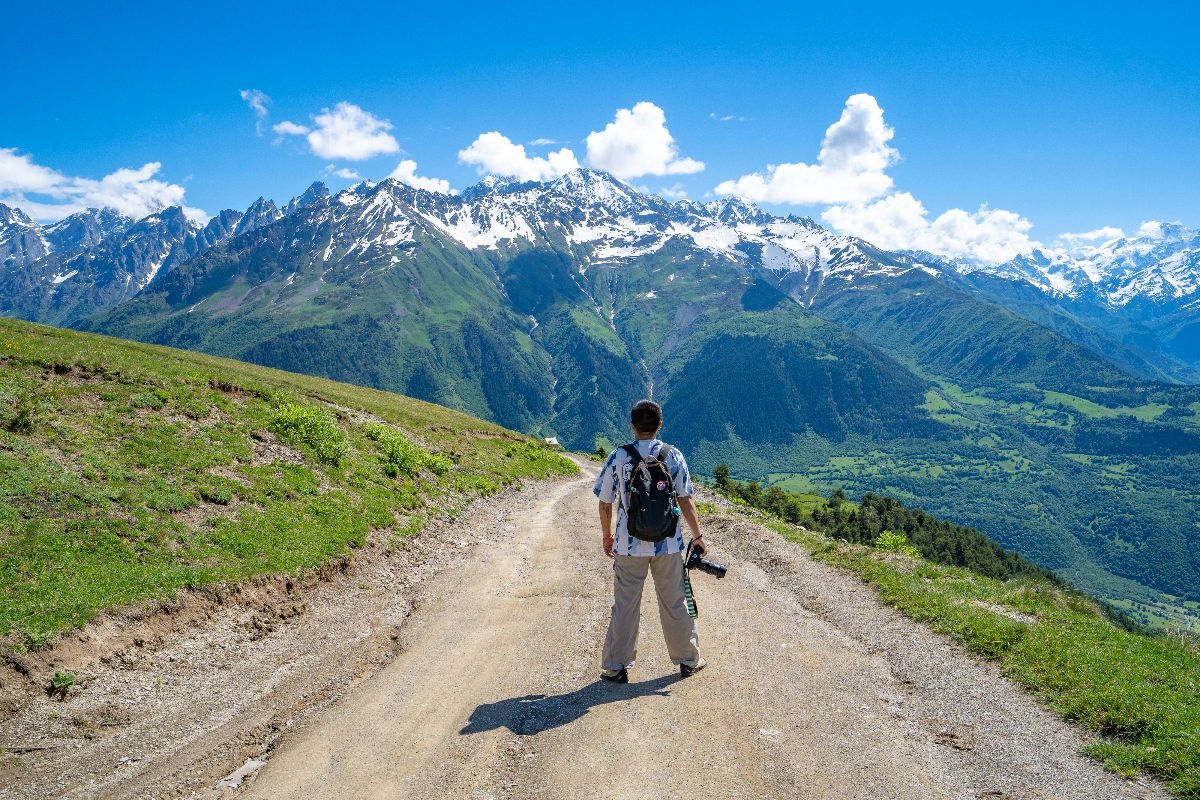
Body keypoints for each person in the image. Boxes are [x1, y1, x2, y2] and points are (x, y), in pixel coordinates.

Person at [594, 399, 707, 683]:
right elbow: (686, 499)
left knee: (625, 604)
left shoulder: (618, 457)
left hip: (628, 545)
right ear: (660, 425)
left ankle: (615, 666)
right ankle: (688, 660)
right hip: (668, 544)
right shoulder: (674, 455)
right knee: (674, 602)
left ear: (632, 426)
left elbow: (605, 502)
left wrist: (607, 536)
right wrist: (698, 537)